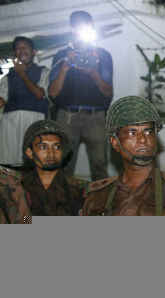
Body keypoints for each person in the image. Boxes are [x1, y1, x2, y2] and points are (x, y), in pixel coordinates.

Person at [81, 96, 165, 216]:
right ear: (115, 143)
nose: (143, 139)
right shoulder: (97, 196)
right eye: (132, 133)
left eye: (148, 132)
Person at [48, 10, 113, 180]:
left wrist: (94, 72)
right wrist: (65, 67)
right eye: (77, 27)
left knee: (100, 166)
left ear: (91, 28)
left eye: (85, 27)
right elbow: (52, 93)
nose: (80, 31)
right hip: (67, 117)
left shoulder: (102, 55)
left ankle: (100, 197)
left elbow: (108, 92)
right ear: (72, 29)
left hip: (96, 117)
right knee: (64, 166)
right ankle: (64, 197)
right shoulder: (62, 56)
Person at [20, 120, 88, 216]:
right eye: (43, 147)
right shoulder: (18, 188)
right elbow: (20, 220)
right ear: (29, 152)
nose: (51, 154)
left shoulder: (80, 190)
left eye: (57, 147)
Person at [0, 36, 50, 165]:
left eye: (25, 47)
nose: (21, 51)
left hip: (35, 120)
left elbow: (40, 94)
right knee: (10, 163)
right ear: (14, 54)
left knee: (33, 161)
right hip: (10, 122)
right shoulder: (7, 75)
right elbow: (2, 100)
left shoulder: (43, 71)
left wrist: (22, 74)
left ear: (34, 52)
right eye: (18, 48)